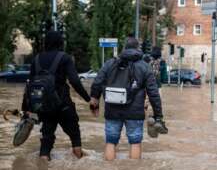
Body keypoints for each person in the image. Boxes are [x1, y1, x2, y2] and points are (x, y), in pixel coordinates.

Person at [90, 37, 167, 161]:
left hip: (112, 110)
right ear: (138, 49)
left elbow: (97, 82)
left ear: (124, 48)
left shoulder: (110, 63)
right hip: (135, 112)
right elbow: (153, 93)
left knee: (110, 141)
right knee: (135, 142)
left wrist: (94, 103)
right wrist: (158, 115)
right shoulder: (144, 66)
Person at [22, 31, 91, 161]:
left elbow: (29, 85)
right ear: (60, 43)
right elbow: (75, 81)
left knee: (46, 140)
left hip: (44, 107)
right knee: (75, 136)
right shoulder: (65, 58)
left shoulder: (36, 59)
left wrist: (26, 109)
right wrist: (88, 99)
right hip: (64, 105)